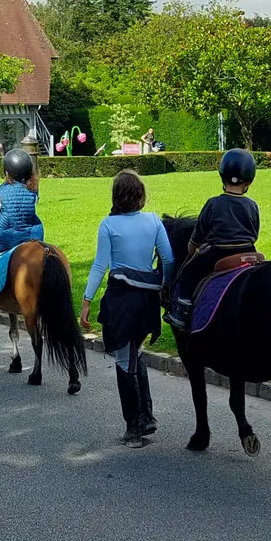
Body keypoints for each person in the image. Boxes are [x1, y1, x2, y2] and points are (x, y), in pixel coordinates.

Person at [80, 170, 173, 445]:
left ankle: (134, 426)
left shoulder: (108, 225)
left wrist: (86, 300)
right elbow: (168, 259)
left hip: (121, 300)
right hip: (147, 301)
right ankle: (148, 415)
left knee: (124, 361)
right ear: (140, 194)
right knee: (136, 353)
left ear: (116, 196)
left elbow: (100, 266)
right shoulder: (154, 221)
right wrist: (165, 286)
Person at [165, 148, 260, 331]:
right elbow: (254, 232)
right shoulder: (252, 205)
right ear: (248, 181)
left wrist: (192, 248)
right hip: (249, 251)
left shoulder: (213, 203)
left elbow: (199, 233)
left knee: (189, 272)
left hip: (218, 253)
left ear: (222, 176)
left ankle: (181, 310)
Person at [0, 148, 45, 311]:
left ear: (8, 171)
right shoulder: (33, 189)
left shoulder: (1, 191)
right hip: (31, 235)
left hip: (6, 235)